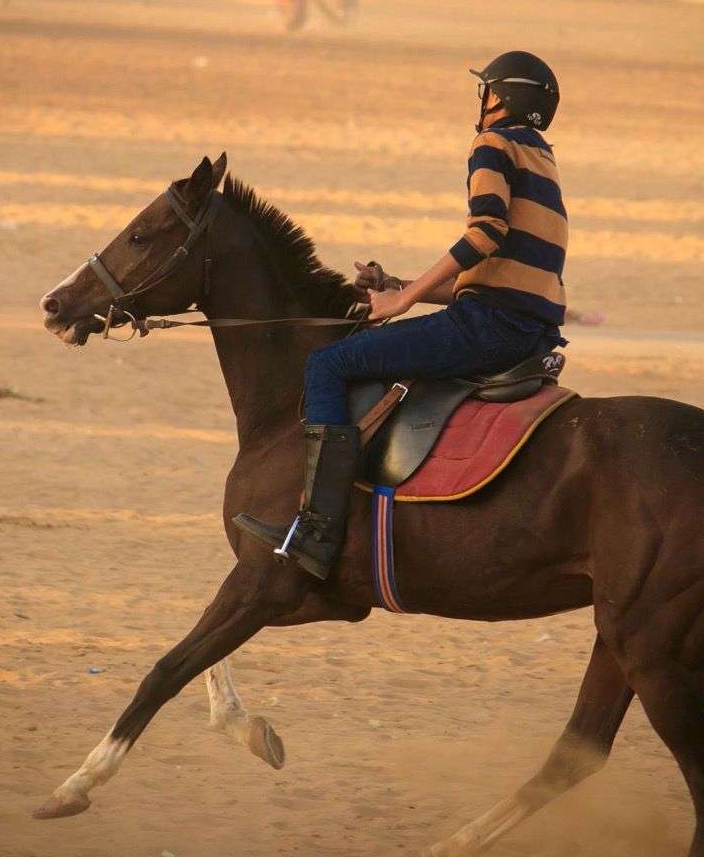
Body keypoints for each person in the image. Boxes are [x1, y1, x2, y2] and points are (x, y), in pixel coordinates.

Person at [234, 52, 568, 581]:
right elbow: (500, 276)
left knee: (327, 365)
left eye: (485, 91)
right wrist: (401, 284)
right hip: (524, 327)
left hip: (489, 329)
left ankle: (316, 531)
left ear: (502, 98)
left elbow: (486, 233)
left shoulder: (491, 145)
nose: (480, 102)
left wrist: (403, 302)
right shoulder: (542, 159)